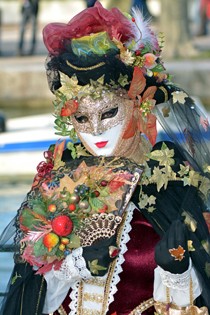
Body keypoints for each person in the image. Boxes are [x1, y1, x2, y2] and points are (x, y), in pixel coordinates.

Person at [1, 1, 210, 314]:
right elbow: (30, 295)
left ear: (138, 103)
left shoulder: (170, 180)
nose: (96, 129)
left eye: (109, 112)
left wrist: (177, 273)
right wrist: (73, 265)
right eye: (82, 118)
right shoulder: (60, 180)